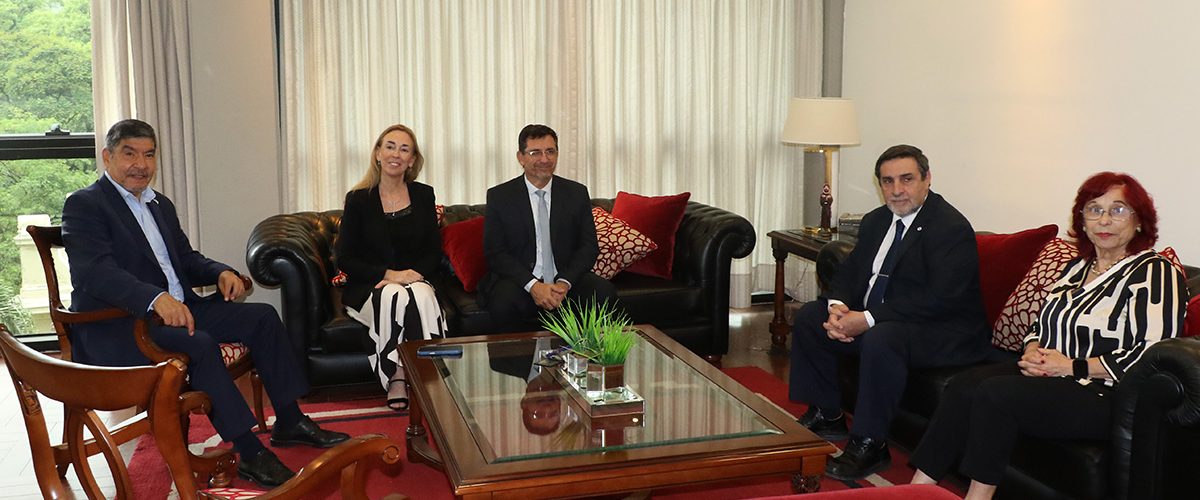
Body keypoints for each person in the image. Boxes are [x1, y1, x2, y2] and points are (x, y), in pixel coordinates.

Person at [62, 119, 349, 488]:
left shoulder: (159, 204)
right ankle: (250, 453)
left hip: (181, 311)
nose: (141, 164)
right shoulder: (85, 204)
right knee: (199, 343)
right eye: (129, 154)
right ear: (107, 156)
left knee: (262, 316)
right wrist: (155, 298)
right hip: (122, 325)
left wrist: (220, 272)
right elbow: (95, 273)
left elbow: (185, 258)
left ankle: (291, 421)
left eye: (149, 155)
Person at [908, 172, 1187, 499]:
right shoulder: (1077, 268)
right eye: (1094, 209)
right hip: (1054, 375)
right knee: (964, 385)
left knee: (996, 394)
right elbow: (1041, 324)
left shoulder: (1154, 271)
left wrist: (1069, 365)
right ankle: (916, 490)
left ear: (1139, 221)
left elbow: (1151, 354)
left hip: (1107, 393)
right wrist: (1033, 349)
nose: (1104, 220)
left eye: (1118, 210)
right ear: (1082, 220)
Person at [789, 144, 992, 481]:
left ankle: (870, 443)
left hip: (944, 331)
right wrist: (838, 308)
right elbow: (852, 272)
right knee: (812, 316)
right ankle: (827, 414)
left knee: (883, 337)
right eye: (888, 181)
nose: (897, 190)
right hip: (892, 321)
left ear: (927, 179)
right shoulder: (876, 220)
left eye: (906, 179)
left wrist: (867, 319)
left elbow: (940, 299)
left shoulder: (949, 227)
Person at [336, 124, 446, 411]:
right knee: (393, 295)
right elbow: (344, 258)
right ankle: (396, 376)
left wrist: (414, 276)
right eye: (390, 146)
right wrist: (391, 276)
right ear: (377, 153)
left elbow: (434, 251)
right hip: (371, 287)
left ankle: (428, 377)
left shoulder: (424, 195)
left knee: (420, 294)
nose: (396, 154)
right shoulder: (358, 200)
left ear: (412, 160)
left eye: (404, 149)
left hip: (416, 280)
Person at [478, 124, 616, 329]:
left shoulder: (576, 193)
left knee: (603, 292)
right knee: (502, 302)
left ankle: (588, 351)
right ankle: (518, 353)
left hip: (566, 280)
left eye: (550, 151)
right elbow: (495, 253)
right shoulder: (500, 196)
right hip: (521, 280)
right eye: (535, 153)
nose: (545, 159)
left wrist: (564, 283)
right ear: (520, 157)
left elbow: (588, 247)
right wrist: (534, 286)